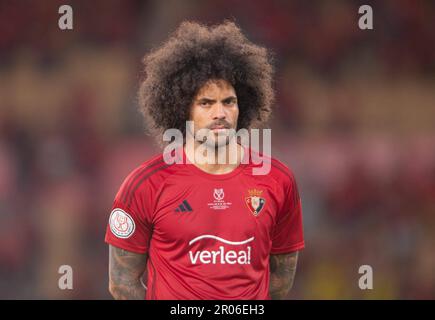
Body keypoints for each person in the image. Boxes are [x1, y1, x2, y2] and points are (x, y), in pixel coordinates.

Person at [105, 21, 304, 300]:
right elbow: (122, 284)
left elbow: (281, 281)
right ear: (182, 110)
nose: (220, 113)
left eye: (229, 102)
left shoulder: (278, 180)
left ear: (242, 106)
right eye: (206, 103)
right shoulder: (144, 185)